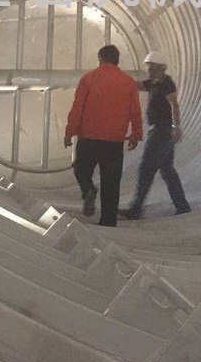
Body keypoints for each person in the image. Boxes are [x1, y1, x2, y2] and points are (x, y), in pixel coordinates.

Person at [63, 44, 143, 227]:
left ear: (100, 58)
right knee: (111, 183)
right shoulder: (128, 82)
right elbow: (135, 111)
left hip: (89, 137)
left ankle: (88, 190)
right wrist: (136, 134)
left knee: (81, 170)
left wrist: (69, 132)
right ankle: (108, 221)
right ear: (117, 60)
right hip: (114, 141)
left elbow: (77, 108)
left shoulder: (88, 79)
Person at [120, 51, 191, 220]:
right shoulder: (154, 83)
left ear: (161, 67)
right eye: (148, 66)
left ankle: (136, 209)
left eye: (151, 66)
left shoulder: (166, 83)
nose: (148, 69)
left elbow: (174, 105)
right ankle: (182, 206)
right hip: (160, 130)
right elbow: (136, 85)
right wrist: (117, 76)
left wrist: (176, 127)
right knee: (167, 170)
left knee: (146, 168)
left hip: (162, 131)